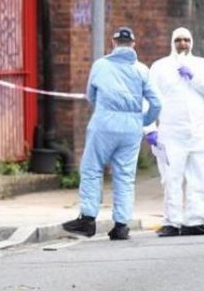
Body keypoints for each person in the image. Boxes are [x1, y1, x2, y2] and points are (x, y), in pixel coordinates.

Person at [63, 26, 162, 241]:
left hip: (105, 121)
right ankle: (121, 225)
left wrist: (104, 110)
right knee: (125, 176)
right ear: (133, 44)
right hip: (131, 126)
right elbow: (156, 103)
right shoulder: (142, 70)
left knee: (92, 169)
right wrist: (142, 120)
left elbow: (91, 95)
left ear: (114, 42)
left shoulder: (100, 65)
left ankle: (88, 219)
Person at [148, 27, 204, 237]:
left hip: (198, 130)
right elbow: (148, 99)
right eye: (179, 40)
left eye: (186, 40)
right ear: (172, 42)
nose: (183, 44)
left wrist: (195, 78)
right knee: (171, 177)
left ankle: (195, 220)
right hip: (171, 131)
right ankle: (172, 221)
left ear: (192, 42)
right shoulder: (160, 67)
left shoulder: (202, 65)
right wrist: (150, 128)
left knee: (202, 174)